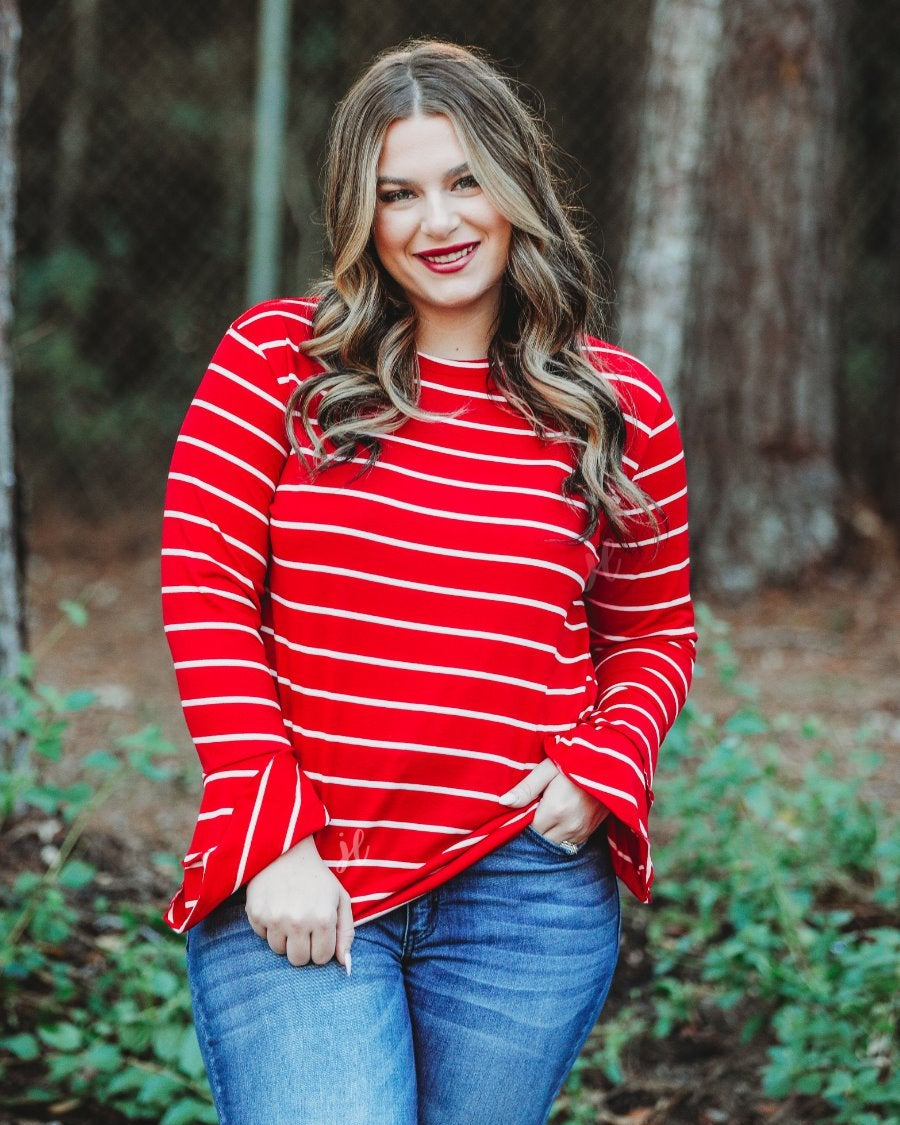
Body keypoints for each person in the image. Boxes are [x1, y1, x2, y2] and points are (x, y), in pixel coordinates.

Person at [160, 38, 697, 1125]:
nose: (437, 223)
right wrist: (276, 839)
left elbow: (654, 636)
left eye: (463, 183)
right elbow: (206, 595)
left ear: (516, 185)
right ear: (361, 214)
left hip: (523, 892)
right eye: (396, 194)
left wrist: (600, 770)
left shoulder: (612, 402)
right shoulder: (279, 363)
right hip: (308, 875)